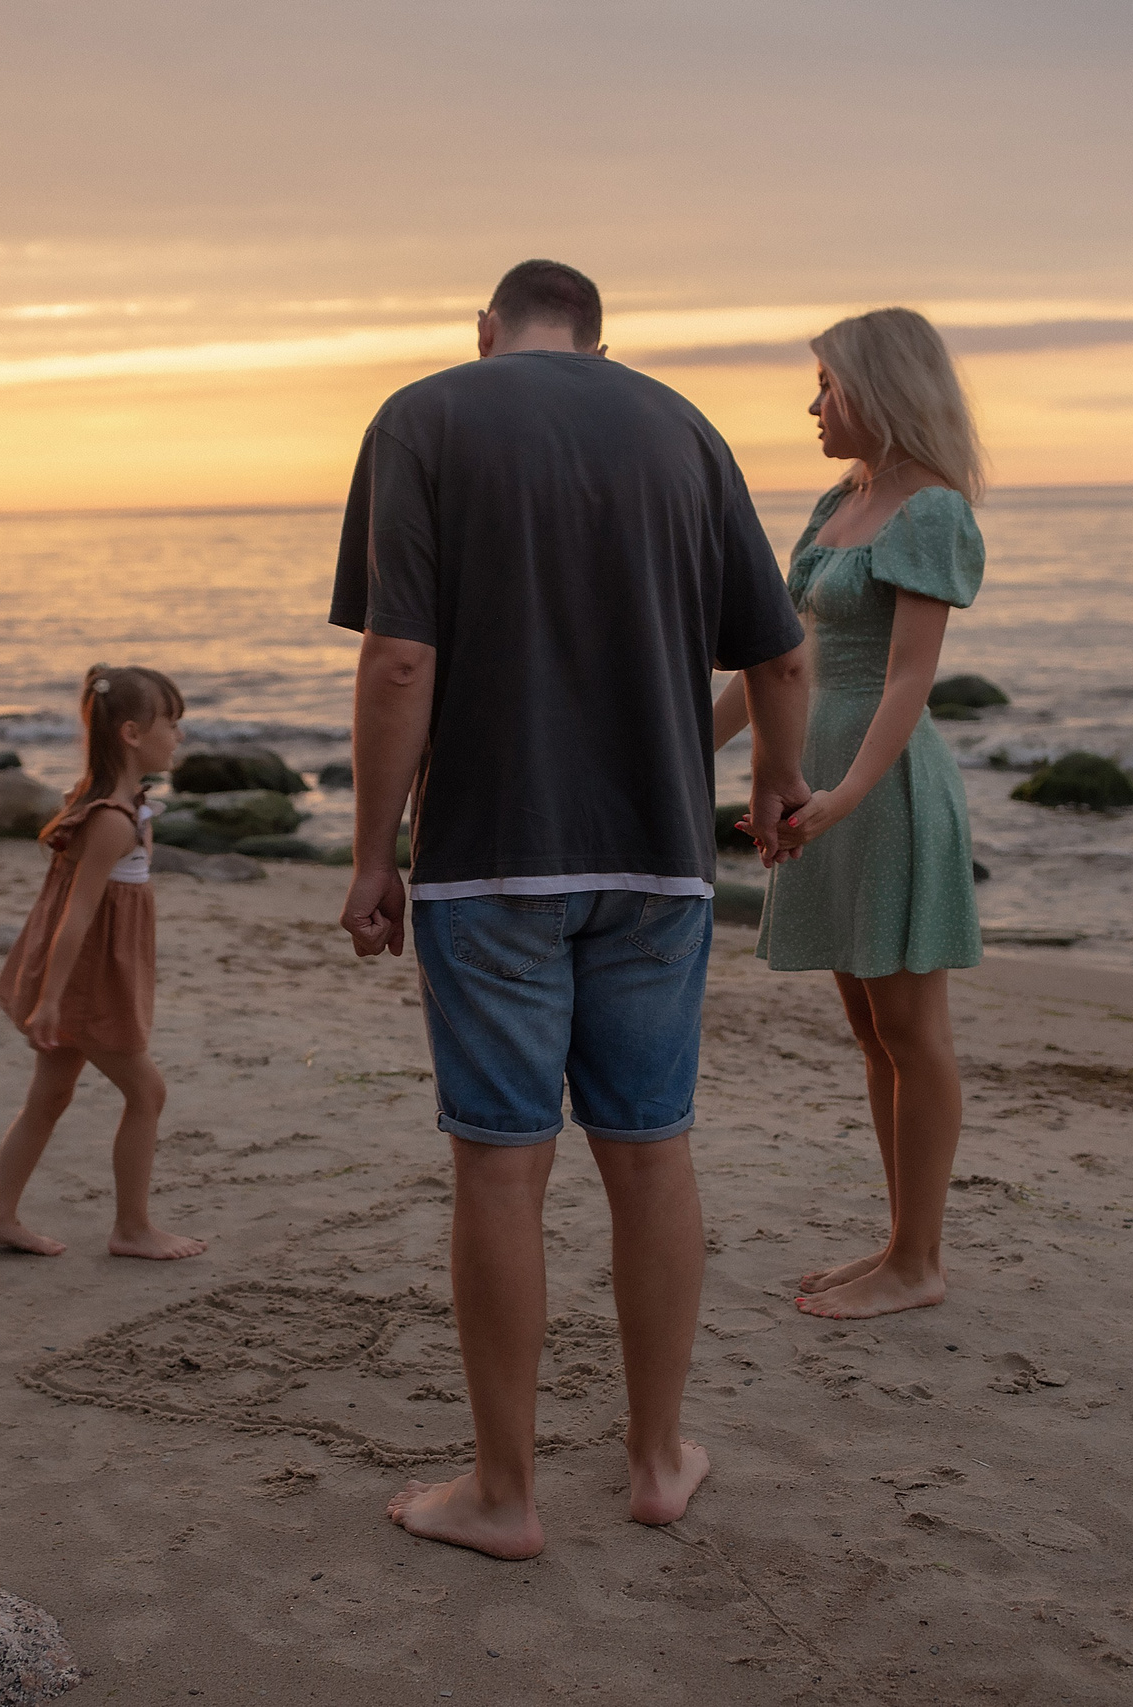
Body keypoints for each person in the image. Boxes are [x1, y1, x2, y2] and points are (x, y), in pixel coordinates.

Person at [333, 258, 811, 1560]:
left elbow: (401, 659)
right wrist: (773, 782)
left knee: (502, 1165)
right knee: (650, 1151)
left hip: (491, 858)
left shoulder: (424, 416)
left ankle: (504, 1492)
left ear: (486, 329)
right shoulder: (682, 428)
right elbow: (780, 652)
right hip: (658, 861)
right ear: (601, 341)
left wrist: (374, 851)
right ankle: (656, 1461)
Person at [711, 307, 987, 1321]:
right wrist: (684, 750)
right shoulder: (840, 502)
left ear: (879, 390)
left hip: (883, 787)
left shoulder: (932, 511)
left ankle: (919, 1262)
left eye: (827, 384)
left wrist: (846, 795)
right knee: (872, 1033)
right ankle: (900, 1242)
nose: (813, 405)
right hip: (819, 784)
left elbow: (908, 678)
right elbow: (779, 659)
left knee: (912, 1030)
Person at [0, 663, 207, 1263]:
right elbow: (76, 916)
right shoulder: (110, 819)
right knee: (147, 1093)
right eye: (171, 724)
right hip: (86, 983)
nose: (179, 736)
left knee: (50, 1095)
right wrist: (51, 1000)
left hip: (88, 975)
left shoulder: (117, 805)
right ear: (132, 734)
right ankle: (132, 1228)